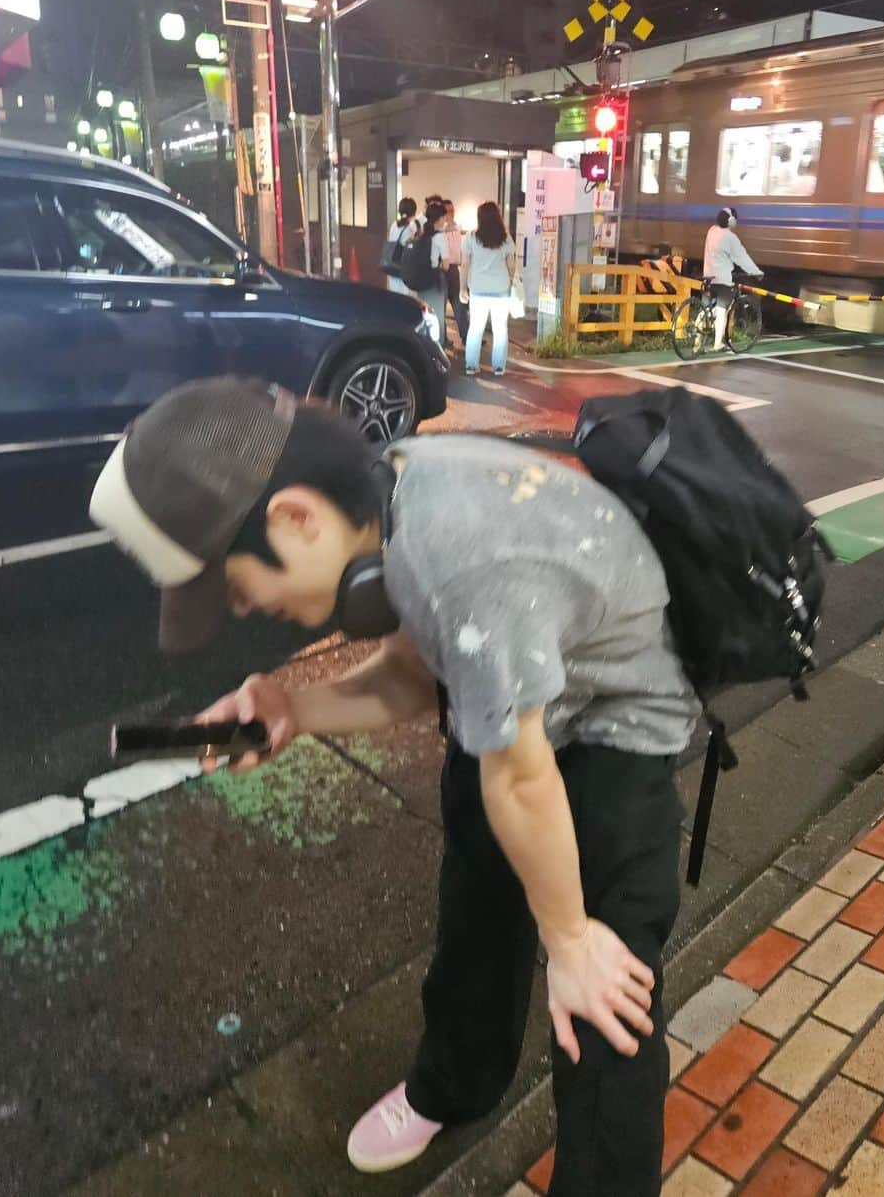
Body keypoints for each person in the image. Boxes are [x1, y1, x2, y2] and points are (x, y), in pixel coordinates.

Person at [88, 376, 701, 1197]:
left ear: (295, 517)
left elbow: (521, 781)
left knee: (602, 992)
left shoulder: (459, 555)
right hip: (519, 712)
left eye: (239, 589)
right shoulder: (395, 490)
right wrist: (292, 708)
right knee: (477, 908)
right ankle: (456, 1083)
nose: (251, 610)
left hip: (616, 725)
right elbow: (418, 675)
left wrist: (570, 937)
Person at [461, 201, 516, 377]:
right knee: (500, 328)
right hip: (500, 288)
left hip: (478, 289)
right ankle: (498, 367)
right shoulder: (506, 238)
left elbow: (465, 264)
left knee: (475, 328)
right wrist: (512, 280)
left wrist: (463, 288)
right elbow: (511, 264)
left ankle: (471, 365)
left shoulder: (470, 237)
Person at [702, 206, 762, 350]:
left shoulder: (711, 231)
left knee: (704, 308)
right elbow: (741, 258)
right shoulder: (730, 237)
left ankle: (697, 343)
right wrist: (756, 272)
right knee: (722, 309)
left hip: (707, 277)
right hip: (722, 279)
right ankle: (717, 344)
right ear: (731, 221)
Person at [411, 199, 449, 349]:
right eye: (444, 218)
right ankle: (436, 351)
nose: (445, 221)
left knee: (423, 316)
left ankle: (421, 347)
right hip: (434, 280)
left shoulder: (421, 234)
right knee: (436, 317)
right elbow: (446, 265)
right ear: (439, 219)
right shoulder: (440, 237)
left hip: (420, 279)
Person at [440, 199, 469, 350]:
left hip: (454, 269)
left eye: (453, 210)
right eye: (448, 211)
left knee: (459, 305)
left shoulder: (457, 228)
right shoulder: (440, 230)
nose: (451, 213)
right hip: (442, 269)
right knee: (442, 305)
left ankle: (467, 336)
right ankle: (442, 338)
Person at [385, 197, 418, 296]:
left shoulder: (394, 225)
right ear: (414, 212)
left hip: (392, 267)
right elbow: (411, 249)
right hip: (404, 269)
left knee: (395, 297)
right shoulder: (411, 227)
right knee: (407, 300)